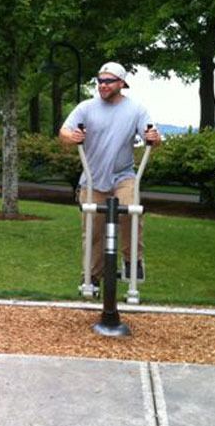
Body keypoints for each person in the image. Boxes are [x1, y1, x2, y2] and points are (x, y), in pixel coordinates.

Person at [59, 61, 161, 287]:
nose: (103, 85)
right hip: (92, 178)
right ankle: (91, 278)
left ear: (122, 83)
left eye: (109, 81)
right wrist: (72, 137)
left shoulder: (136, 109)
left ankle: (132, 261)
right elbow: (64, 132)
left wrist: (153, 138)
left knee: (130, 213)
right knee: (93, 231)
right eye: (100, 80)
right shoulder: (86, 107)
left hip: (123, 175)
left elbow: (151, 136)